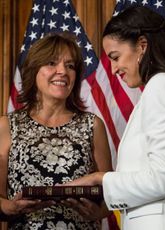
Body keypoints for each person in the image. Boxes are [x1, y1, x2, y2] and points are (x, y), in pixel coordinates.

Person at [63, 5, 165, 230]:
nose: (113, 69)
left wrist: (101, 179)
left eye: (116, 57)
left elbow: (163, 177)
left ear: (142, 45)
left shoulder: (162, 86)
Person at [0, 32, 112, 229]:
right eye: (52, 63)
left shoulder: (92, 125)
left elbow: (111, 193)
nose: (62, 71)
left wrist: (100, 212)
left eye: (70, 66)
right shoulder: (7, 126)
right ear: (34, 70)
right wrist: (11, 207)